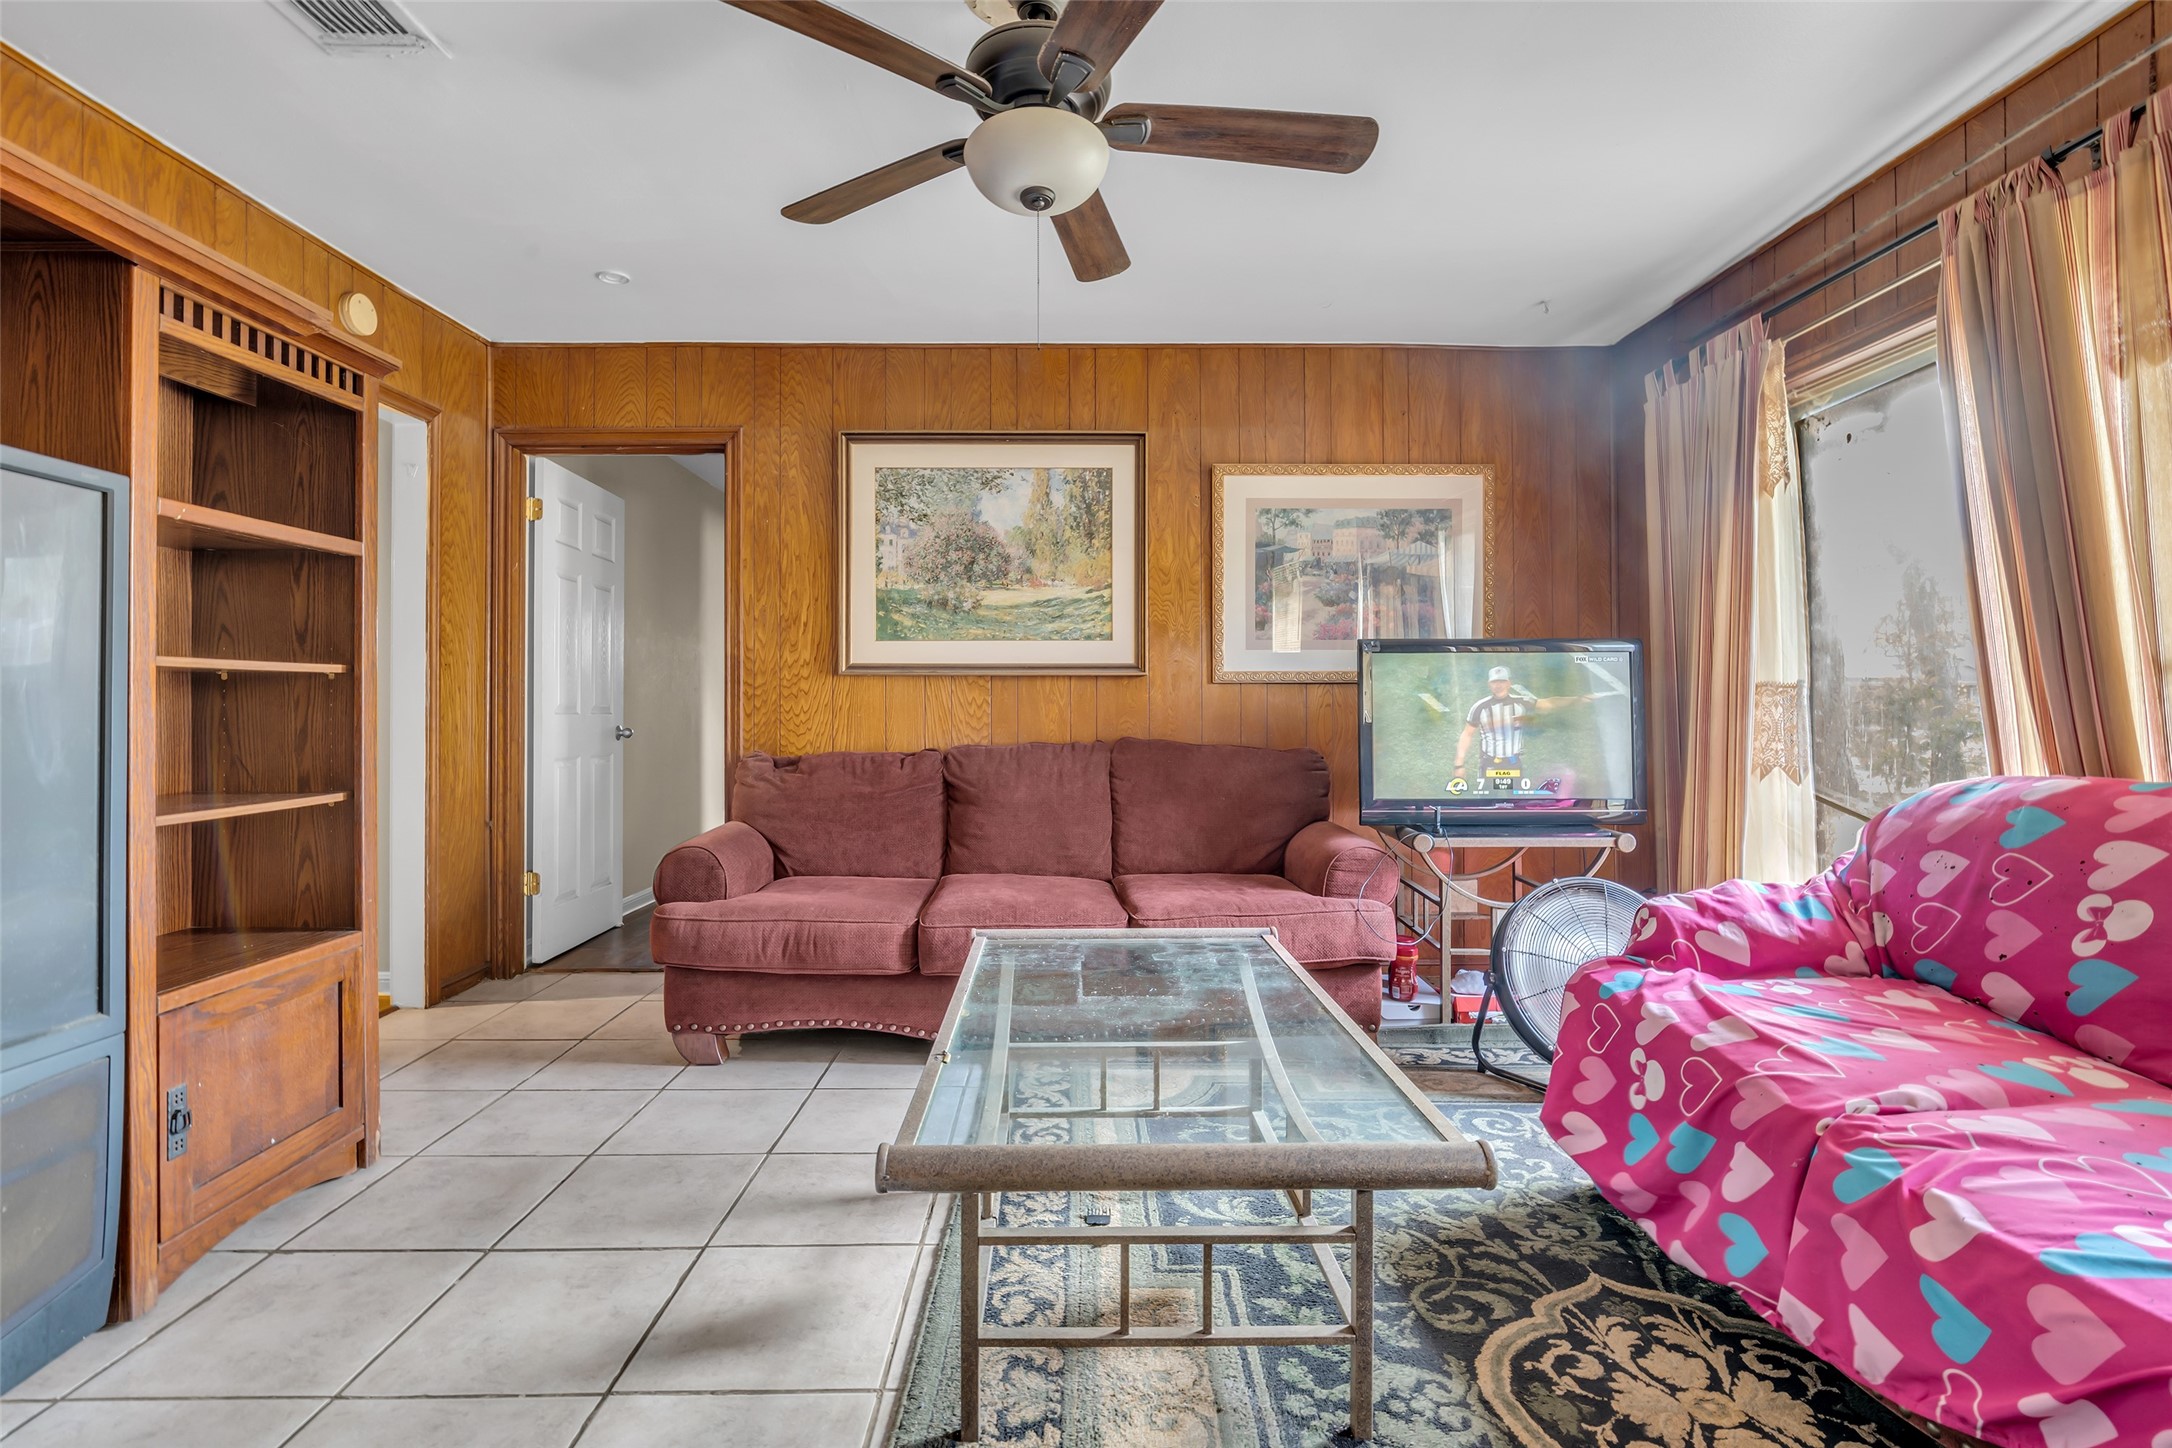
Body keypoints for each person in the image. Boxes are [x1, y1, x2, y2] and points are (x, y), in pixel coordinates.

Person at [1451, 665, 1595, 791]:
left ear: (1509, 683)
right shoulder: (1480, 707)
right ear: (1489, 684)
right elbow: (1467, 734)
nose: (1498, 685)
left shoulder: (1522, 702)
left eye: (1502, 681)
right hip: (1489, 763)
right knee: (1487, 805)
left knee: (1517, 803)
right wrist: (1459, 765)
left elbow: (1549, 703)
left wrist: (1578, 699)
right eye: (1494, 682)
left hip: (1513, 763)